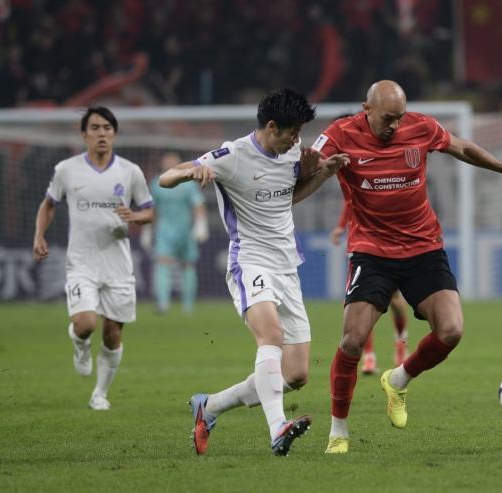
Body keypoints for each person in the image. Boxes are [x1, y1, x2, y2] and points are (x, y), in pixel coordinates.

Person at [312, 80, 502, 454]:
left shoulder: (421, 126)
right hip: (372, 252)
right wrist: (314, 169)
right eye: (388, 118)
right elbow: (308, 163)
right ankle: (338, 431)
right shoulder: (340, 133)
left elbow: (463, 147)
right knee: (352, 341)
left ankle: (398, 380)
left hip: (423, 248)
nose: (395, 125)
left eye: (400, 118)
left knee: (451, 330)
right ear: (366, 110)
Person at [158, 88, 349, 457]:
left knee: (295, 374)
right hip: (250, 262)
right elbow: (167, 177)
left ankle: (209, 406)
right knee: (271, 335)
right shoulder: (232, 156)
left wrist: (324, 174)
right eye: (292, 132)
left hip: (287, 266)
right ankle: (277, 428)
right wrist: (190, 171)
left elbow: (288, 196)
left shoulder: (293, 150)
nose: (297, 139)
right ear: (271, 126)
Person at [32, 106, 154, 411]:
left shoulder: (130, 171)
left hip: (118, 265)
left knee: (112, 334)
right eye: (95, 128)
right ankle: (80, 344)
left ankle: (100, 393)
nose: (102, 133)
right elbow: (49, 204)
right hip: (81, 262)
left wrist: (136, 216)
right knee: (85, 324)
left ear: (114, 135)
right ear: (84, 134)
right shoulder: (66, 169)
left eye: (107, 128)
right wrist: (39, 236)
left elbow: (149, 211)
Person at [330, 200, 408, 374]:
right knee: (361, 301)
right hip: (361, 245)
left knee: (394, 298)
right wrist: (341, 226)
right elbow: (350, 199)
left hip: (388, 241)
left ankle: (401, 342)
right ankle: (369, 357)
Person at [142, 151, 208, 315]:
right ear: (162, 163)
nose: (170, 163)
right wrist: (147, 230)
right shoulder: (156, 182)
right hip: (164, 230)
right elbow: (152, 208)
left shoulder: (188, 182)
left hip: (185, 230)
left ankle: (188, 305)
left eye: (174, 160)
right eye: (167, 160)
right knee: (163, 262)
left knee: (188, 264)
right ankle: (163, 304)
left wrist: (200, 224)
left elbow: (198, 204)